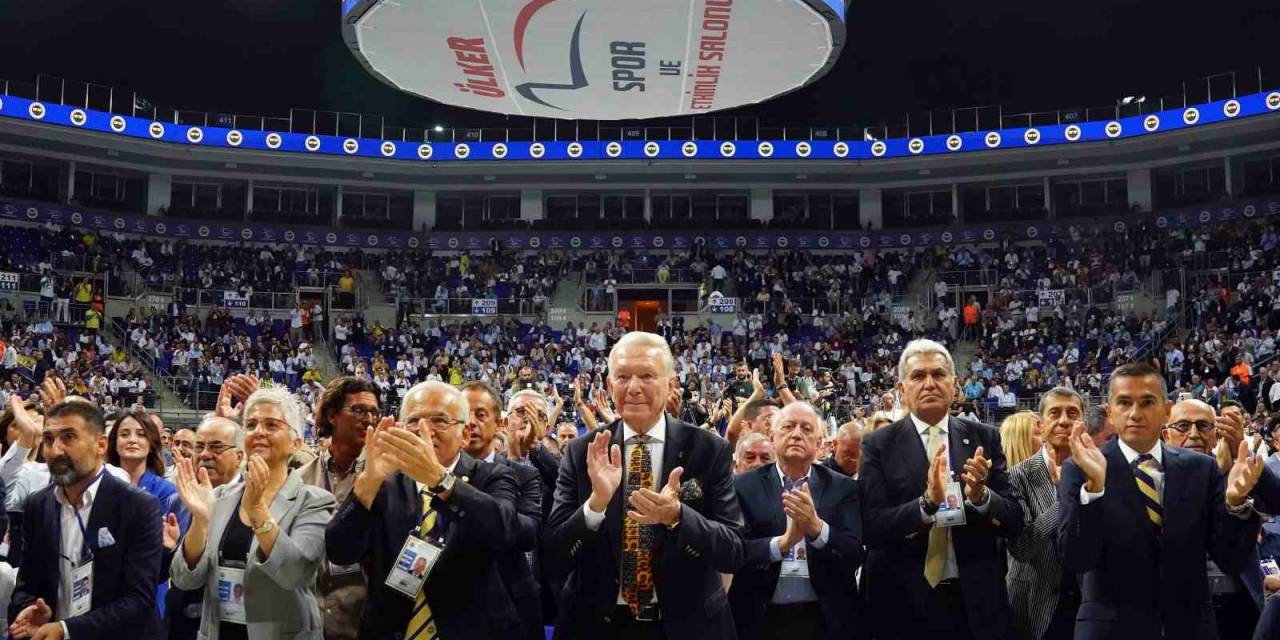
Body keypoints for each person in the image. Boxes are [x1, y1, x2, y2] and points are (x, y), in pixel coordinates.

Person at [546, 331, 745, 640]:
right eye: (623, 377)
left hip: (688, 627)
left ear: (671, 384)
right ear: (610, 386)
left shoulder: (708, 450)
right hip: (596, 626)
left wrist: (678, 516)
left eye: (647, 375)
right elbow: (554, 558)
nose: (634, 387)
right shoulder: (581, 451)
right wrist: (595, 506)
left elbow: (733, 550)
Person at [1057, 362, 1268, 640]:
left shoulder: (1201, 469)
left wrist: (1237, 504)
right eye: (1124, 402)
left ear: (1166, 410)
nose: (1135, 413)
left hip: (1190, 627)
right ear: (1110, 412)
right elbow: (1076, 557)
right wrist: (1095, 489)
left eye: (1147, 402)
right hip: (1111, 630)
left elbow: (1230, 560)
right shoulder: (1080, 468)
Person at [325, 381, 522, 640]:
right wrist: (367, 482)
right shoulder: (383, 482)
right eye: (414, 420)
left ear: (464, 435)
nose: (425, 430)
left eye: (439, 420)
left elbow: (506, 530)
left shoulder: (492, 476)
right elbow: (340, 551)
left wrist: (442, 482)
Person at [860, 339, 1024, 640]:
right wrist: (926, 504)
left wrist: (981, 497)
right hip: (903, 603)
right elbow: (871, 526)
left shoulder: (984, 437)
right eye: (918, 376)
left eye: (938, 374)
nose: (929, 383)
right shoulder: (877, 445)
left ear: (954, 384)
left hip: (975, 604)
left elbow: (1015, 518)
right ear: (901, 389)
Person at [170, 387, 336, 639]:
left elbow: (294, 573)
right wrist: (200, 522)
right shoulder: (219, 498)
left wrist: (257, 509)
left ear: (297, 442)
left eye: (271, 425)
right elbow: (185, 579)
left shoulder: (313, 501)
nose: (258, 431)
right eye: (251, 425)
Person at [8, 400, 163, 640]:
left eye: (69, 437)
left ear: (101, 444)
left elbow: (138, 601)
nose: (55, 450)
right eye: (49, 440)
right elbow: (26, 585)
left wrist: (67, 629)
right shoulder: (38, 505)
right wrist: (29, 609)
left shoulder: (139, 506)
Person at [727, 402, 862, 640]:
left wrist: (817, 529)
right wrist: (782, 543)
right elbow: (733, 550)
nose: (797, 434)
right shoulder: (743, 486)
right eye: (788, 427)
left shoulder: (844, 488)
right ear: (772, 436)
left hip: (826, 619)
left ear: (820, 443)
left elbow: (854, 552)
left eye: (807, 429)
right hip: (759, 617)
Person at [1162, 398, 1265, 639]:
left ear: (1216, 434)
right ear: (1166, 435)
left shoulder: (1240, 473)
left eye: (1203, 426)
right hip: (1177, 612)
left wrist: (1239, 501)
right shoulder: (1148, 481)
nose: (1194, 434)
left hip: (1238, 604)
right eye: (1183, 426)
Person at [460, 381, 544, 640]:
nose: (470, 422)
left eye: (480, 414)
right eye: (463, 415)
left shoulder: (524, 475)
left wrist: (455, 492)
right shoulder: (429, 474)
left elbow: (528, 532)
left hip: (510, 604)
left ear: (500, 425)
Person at [296, 377, 378, 640]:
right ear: (332, 415)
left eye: (374, 412)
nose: (368, 419)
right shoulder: (299, 479)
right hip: (307, 614)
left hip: (364, 618)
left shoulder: (387, 479)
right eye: (359, 410)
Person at [1007, 387, 1086, 640]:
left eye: (1072, 413)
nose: (1064, 420)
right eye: (1056, 413)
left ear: (1082, 423)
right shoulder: (1017, 476)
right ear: (1041, 425)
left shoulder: (1101, 470)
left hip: (1090, 602)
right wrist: (1066, 497)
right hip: (1033, 604)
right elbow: (1021, 547)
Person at [165, 416, 245, 640]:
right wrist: (170, 550)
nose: (205, 455)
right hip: (181, 623)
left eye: (216, 447)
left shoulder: (252, 501)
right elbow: (169, 570)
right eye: (199, 446)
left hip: (227, 624)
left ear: (239, 456)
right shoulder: (177, 500)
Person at [106, 410, 179, 508]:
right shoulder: (99, 485)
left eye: (141, 434)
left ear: (151, 444)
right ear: (115, 443)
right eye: (124, 434)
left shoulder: (167, 491)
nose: (132, 440)